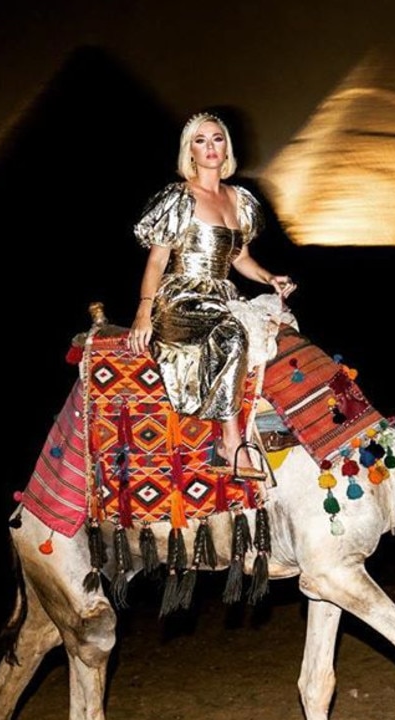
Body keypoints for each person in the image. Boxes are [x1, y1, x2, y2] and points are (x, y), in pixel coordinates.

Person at [127, 112, 296, 477]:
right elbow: (157, 262)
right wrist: (144, 311)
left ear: (226, 147)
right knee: (232, 335)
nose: (210, 147)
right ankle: (229, 442)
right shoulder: (179, 198)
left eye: (216, 139)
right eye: (200, 140)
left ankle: (281, 434)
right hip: (181, 297)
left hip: (221, 294)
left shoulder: (240, 200)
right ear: (190, 151)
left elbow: (242, 259)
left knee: (275, 336)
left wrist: (270, 278)